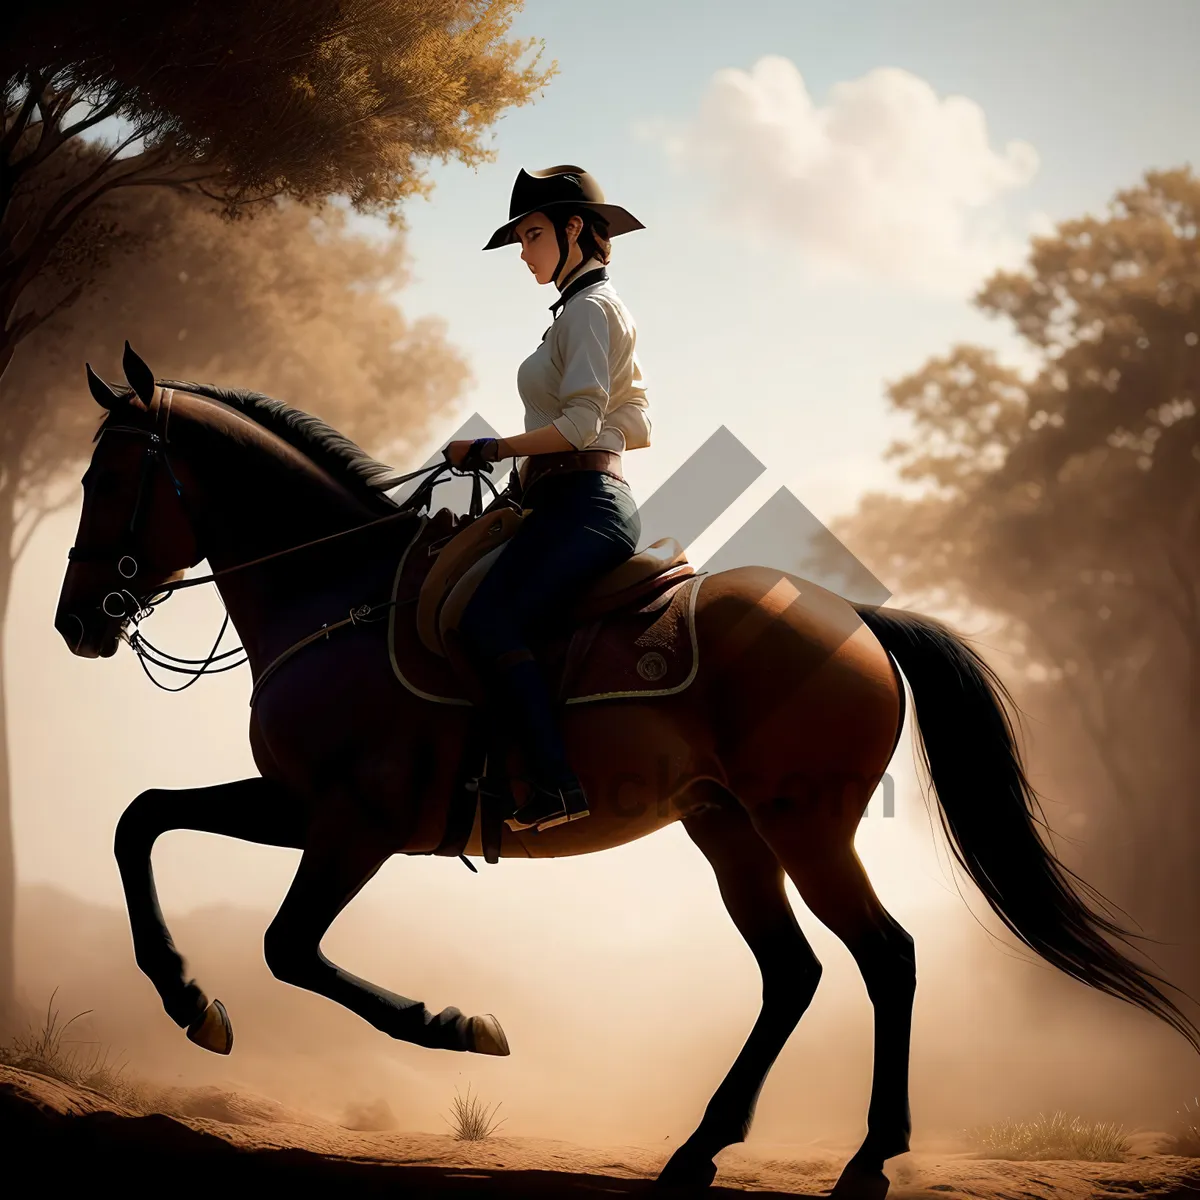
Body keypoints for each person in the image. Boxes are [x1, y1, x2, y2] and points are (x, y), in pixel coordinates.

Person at [445, 165, 651, 834]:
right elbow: (637, 420)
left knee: (486, 623)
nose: (525, 253)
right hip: (571, 498)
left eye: (532, 236)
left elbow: (582, 427)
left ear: (572, 230)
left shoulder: (590, 310)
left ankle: (557, 787)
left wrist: (491, 449)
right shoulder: (582, 310)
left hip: (585, 507)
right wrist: (524, 480)